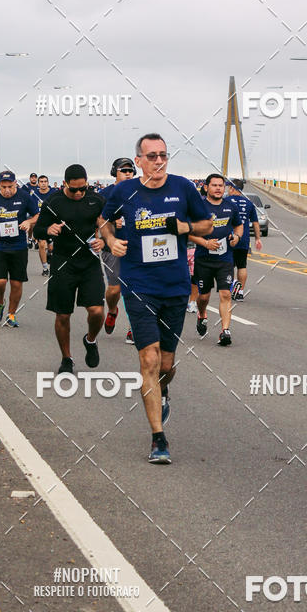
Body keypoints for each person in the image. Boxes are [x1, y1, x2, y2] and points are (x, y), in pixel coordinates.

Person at [100, 133, 212, 464]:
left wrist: (184, 227)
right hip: (139, 284)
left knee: (166, 364)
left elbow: (206, 225)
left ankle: (164, 390)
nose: (159, 161)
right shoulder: (124, 190)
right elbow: (104, 220)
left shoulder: (182, 188)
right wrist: (110, 240)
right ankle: (158, 438)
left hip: (175, 286)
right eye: (151, 156)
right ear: (138, 161)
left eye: (163, 154)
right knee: (148, 360)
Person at [33, 164, 105, 373]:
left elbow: (109, 225)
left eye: (83, 188)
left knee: (97, 311)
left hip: (89, 262)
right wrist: (48, 228)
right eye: (74, 190)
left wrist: (104, 242)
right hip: (63, 262)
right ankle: (67, 358)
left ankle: (90, 340)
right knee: (63, 315)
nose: (79, 193)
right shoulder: (53, 202)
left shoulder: (96, 200)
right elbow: (38, 230)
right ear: (65, 184)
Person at [189, 173, 243, 346]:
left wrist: (237, 237)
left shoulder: (230, 206)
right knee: (203, 297)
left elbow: (239, 225)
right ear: (206, 187)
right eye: (215, 185)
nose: (219, 188)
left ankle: (225, 331)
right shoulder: (199, 208)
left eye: (221, 185)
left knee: (226, 293)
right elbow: (188, 232)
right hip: (204, 259)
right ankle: (202, 314)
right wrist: (205, 243)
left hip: (225, 258)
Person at [99, 158, 136, 341]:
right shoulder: (105, 193)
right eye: (124, 170)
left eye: (131, 170)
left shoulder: (141, 191)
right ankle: (112, 310)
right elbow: (97, 219)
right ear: (115, 172)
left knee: (136, 288)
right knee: (115, 289)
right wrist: (112, 222)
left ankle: (134, 328)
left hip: (136, 247)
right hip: (113, 247)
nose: (128, 173)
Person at [0, 171, 39, 328]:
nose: (7, 190)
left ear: (15, 183)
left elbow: (37, 215)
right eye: (3, 186)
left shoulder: (24, 196)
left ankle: (11, 314)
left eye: (10, 186)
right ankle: (0, 302)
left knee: (16, 283)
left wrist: (29, 222)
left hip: (18, 246)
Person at [227, 178, 262, 300]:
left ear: (232, 188)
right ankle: (240, 292)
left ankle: (231, 285)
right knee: (242, 265)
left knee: (228, 266)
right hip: (243, 239)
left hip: (229, 238)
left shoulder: (225, 201)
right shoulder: (249, 203)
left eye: (228, 187)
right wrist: (257, 239)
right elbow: (255, 223)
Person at [34, 175, 57, 274]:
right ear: (38, 184)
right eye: (41, 181)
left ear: (48, 183)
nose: (43, 183)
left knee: (51, 248)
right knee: (42, 245)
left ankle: (50, 253)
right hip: (40, 224)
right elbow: (32, 210)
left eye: (45, 181)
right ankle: (45, 268)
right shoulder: (34, 195)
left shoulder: (54, 194)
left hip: (52, 224)